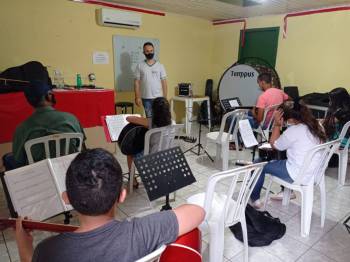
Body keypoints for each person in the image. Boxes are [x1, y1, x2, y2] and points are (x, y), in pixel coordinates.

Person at [15, 148, 205, 262]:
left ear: (67, 199)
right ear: (122, 196)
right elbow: (197, 212)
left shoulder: (48, 250)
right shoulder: (140, 233)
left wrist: (24, 247)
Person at [250, 100, 327, 209]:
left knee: (258, 164)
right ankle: (287, 192)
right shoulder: (317, 125)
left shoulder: (294, 131)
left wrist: (277, 124)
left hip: (298, 174)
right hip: (316, 172)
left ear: (290, 119)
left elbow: (275, 145)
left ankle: (255, 200)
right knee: (283, 158)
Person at [2, 80, 85, 169]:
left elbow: (19, 160)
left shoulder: (22, 128)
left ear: (30, 101)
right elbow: (81, 145)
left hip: (39, 173)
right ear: (49, 95)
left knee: (7, 158)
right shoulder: (71, 119)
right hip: (69, 169)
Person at [125, 97, 172, 187]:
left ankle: (132, 180)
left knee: (130, 152)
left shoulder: (150, 122)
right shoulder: (172, 123)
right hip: (167, 156)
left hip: (152, 159)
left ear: (154, 111)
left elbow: (128, 118)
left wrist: (140, 118)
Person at [134, 42, 168, 118]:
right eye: (147, 51)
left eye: (151, 50)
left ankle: (158, 130)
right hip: (146, 98)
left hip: (159, 98)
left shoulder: (160, 66)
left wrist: (165, 98)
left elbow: (164, 83)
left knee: (159, 119)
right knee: (149, 120)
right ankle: (151, 130)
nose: (150, 52)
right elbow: (136, 82)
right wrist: (137, 97)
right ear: (144, 52)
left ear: (154, 51)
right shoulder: (140, 65)